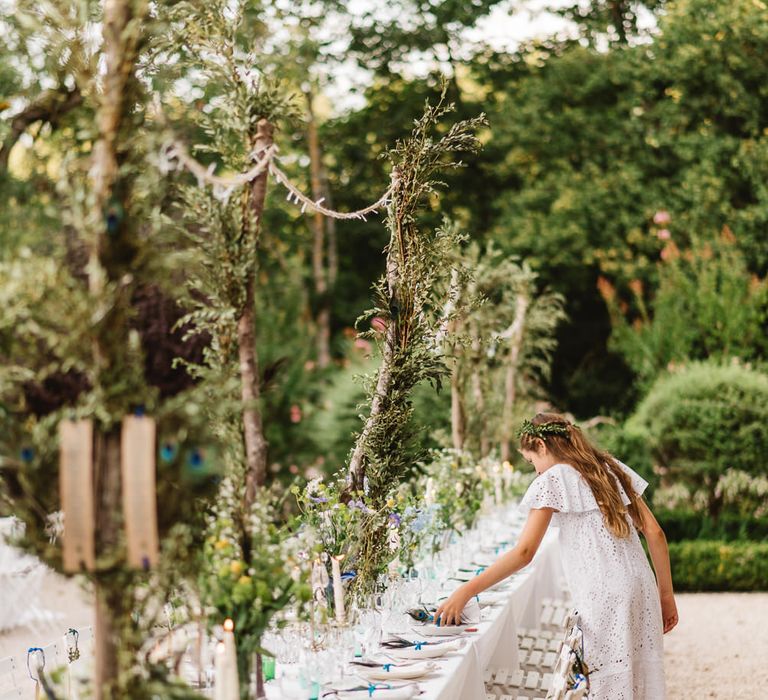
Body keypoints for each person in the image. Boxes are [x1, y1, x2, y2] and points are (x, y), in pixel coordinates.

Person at [435, 412, 677, 699]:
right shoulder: (610, 468)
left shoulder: (552, 480)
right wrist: (666, 596)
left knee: (606, 682)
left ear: (541, 445)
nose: (536, 470)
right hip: (642, 587)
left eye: (531, 461)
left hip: (603, 596)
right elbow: (655, 532)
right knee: (641, 676)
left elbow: (524, 553)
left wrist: (467, 589)